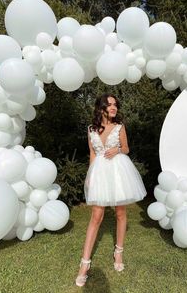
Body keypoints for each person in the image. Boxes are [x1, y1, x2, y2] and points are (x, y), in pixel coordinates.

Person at [75, 93, 147, 287]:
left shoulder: (120, 127)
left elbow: (126, 148)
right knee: (96, 216)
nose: (114, 108)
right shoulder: (91, 129)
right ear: (101, 108)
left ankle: (118, 252)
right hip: (99, 172)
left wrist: (117, 150)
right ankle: (85, 263)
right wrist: (90, 176)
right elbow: (92, 153)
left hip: (118, 171)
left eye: (115, 105)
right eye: (110, 105)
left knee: (121, 212)